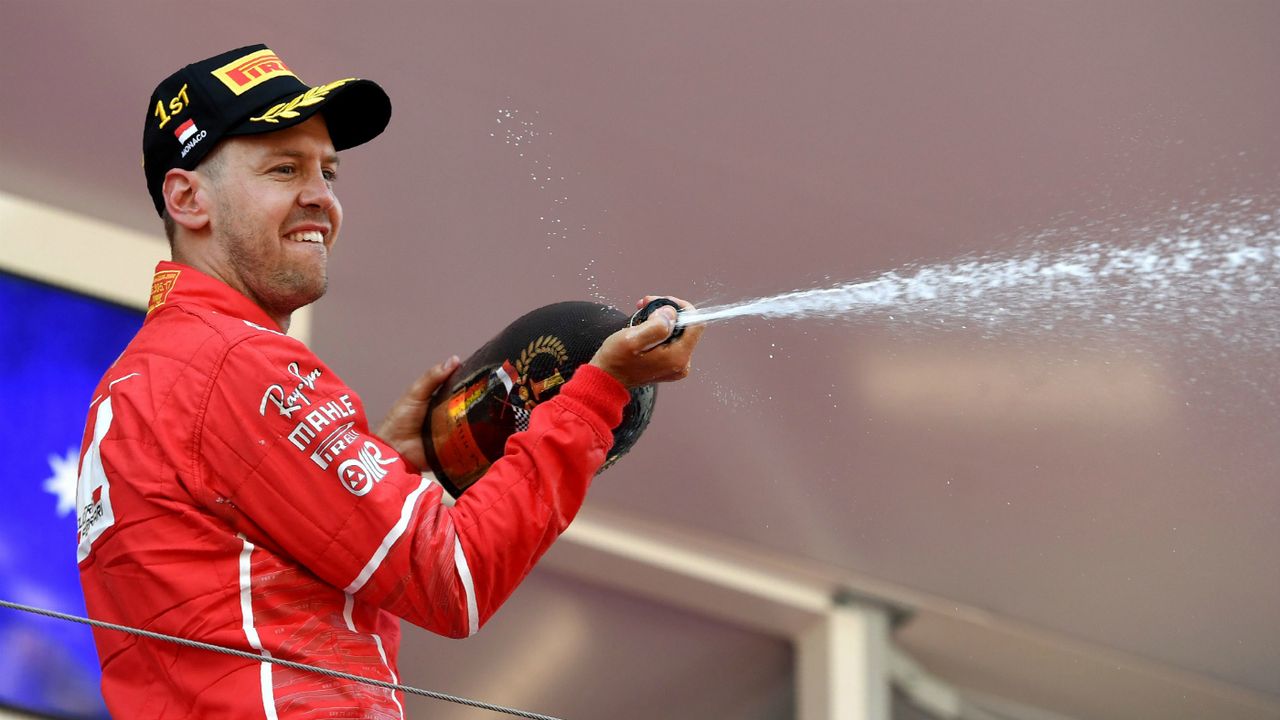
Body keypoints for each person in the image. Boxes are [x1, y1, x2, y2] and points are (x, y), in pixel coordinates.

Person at [74, 44, 703, 718]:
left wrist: (380, 458)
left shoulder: (155, 371)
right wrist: (598, 393)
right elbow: (454, 577)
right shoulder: (232, 362)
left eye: (329, 171)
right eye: (284, 169)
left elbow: (232, 590)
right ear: (188, 198)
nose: (321, 197)